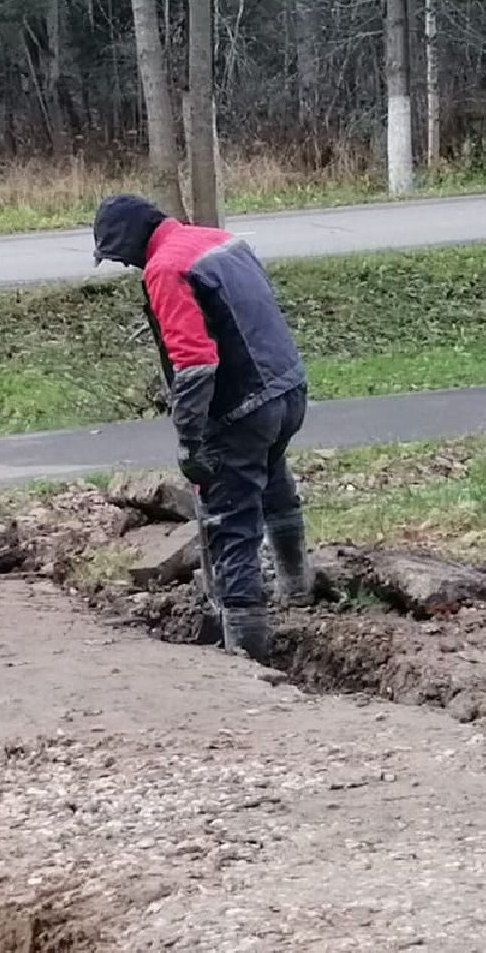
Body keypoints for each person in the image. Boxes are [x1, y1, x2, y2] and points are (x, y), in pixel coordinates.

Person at [92, 194, 312, 662]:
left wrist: (191, 441)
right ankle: (297, 587)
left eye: (120, 257)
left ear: (131, 241)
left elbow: (194, 364)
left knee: (229, 519)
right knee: (273, 482)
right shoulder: (220, 241)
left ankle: (246, 652)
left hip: (241, 406)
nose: (128, 267)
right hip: (288, 389)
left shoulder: (165, 269)